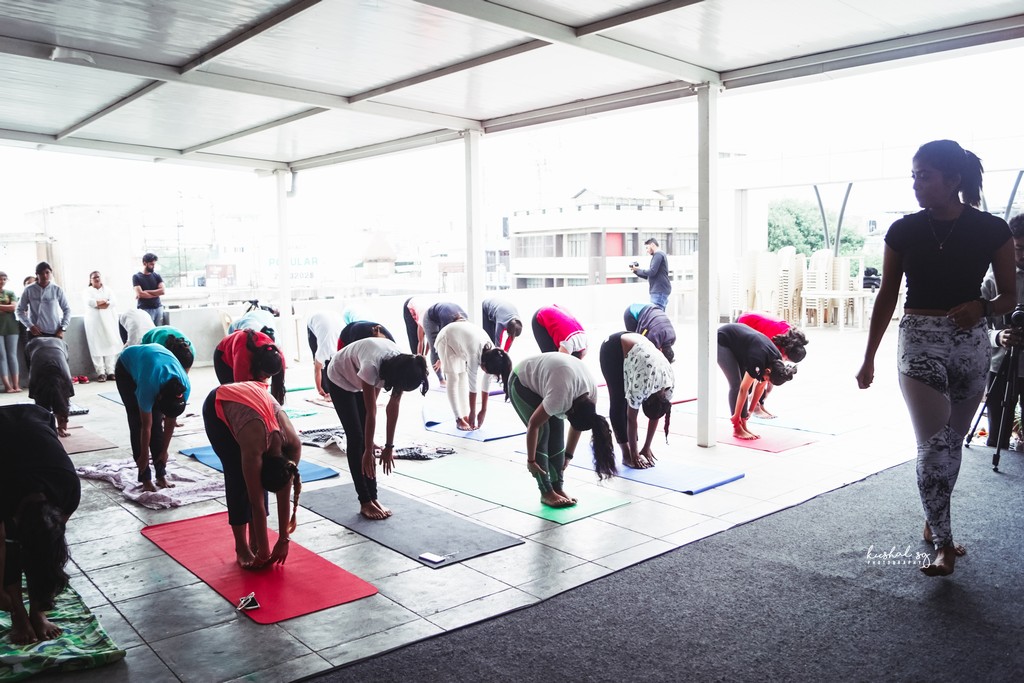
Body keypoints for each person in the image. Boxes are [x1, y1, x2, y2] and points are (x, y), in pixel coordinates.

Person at [856, 139, 1014, 578]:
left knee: (952, 442)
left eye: (924, 176)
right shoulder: (903, 230)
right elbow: (887, 295)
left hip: (971, 342)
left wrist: (981, 308)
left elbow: (1010, 296)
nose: (916, 184)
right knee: (932, 444)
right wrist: (868, 357)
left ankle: (933, 515)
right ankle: (944, 544)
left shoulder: (991, 229)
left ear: (953, 181)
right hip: (920, 338)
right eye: (913, 176)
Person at [0, 404, 80, 644]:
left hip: (39, 417)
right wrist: (8, 600)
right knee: (10, 549)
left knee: (44, 553)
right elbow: (4, 548)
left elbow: (48, 549)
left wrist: (39, 608)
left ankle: (38, 613)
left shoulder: (68, 490)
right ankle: (20, 619)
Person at [325, 337, 429, 520]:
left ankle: (374, 497)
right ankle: (365, 501)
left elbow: (392, 407)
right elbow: (371, 413)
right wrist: (367, 449)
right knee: (356, 439)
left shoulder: (404, 365)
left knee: (367, 441)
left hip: (358, 377)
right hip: (340, 377)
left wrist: (389, 447)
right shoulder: (371, 366)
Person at [203, 381, 302, 569]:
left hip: (254, 401)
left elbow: (285, 495)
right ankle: (241, 547)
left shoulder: (293, 445)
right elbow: (256, 503)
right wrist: (265, 554)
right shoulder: (254, 447)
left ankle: (256, 540)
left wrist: (284, 539)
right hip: (220, 403)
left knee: (256, 486)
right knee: (238, 478)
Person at [509, 353, 615, 508]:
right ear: (570, 410)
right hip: (521, 381)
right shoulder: (561, 396)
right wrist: (530, 461)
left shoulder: (590, 396)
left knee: (557, 431)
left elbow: (577, 425)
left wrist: (568, 456)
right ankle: (546, 492)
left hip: (554, 379)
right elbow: (533, 425)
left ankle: (558, 487)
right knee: (544, 430)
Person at [115, 344, 190, 491]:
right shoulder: (148, 386)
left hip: (153, 362)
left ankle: (161, 475)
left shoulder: (183, 388)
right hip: (127, 367)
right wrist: (143, 455)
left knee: (157, 424)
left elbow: (170, 422)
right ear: (159, 396)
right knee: (137, 421)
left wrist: (165, 451)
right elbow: (145, 427)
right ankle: (145, 478)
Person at [980, 214, 1024, 448]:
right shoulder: (992, 281)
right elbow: (975, 329)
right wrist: (999, 336)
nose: (1023, 255)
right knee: (997, 435)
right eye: (1019, 248)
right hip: (1000, 365)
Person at [599, 332, 674, 469]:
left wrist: (646, 447)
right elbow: (631, 419)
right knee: (619, 401)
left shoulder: (668, 388)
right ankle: (626, 454)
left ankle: (636, 449)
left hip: (637, 348)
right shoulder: (641, 385)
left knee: (628, 403)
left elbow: (655, 416)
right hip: (613, 348)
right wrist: (634, 454)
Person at [717, 323, 797, 440]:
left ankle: (743, 425)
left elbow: (759, 388)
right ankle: (737, 428)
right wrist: (736, 416)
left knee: (743, 384)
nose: (764, 381)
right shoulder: (758, 360)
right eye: (766, 379)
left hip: (741, 344)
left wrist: (750, 411)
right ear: (768, 371)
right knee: (736, 385)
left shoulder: (776, 362)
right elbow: (743, 389)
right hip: (723, 340)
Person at [433, 321, 513, 430]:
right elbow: (473, 388)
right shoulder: (474, 355)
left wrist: (483, 410)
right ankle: (458, 419)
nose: (486, 373)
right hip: (446, 338)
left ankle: (464, 416)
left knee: (462, 377)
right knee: (454, 377)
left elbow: (486, 383)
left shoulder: (493, 356)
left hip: (460, 341)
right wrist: (473, 412)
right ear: (483, 364)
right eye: (487, 371)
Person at [736, 311, 808, 418]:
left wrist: (771, 384)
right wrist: (768, 384)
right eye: (787, 359)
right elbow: (762, 375)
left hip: (754, 322)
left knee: (765, 377)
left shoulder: (792, 339)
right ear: (786, 352)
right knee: (754, 373)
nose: (785, 361)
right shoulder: (775, 342)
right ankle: (754, 407)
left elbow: (773, 371)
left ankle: (759, 404)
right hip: (744, 324)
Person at [214, 329, 287, 404]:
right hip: (223, 354)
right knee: (234, 396)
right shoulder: (243, 357)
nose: (268, 378)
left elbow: (278, 386)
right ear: (258, 366)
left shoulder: (280, 357)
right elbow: (242, 390)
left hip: (250, 356)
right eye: (266, 375)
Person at [25, 337, 75, 437]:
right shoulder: (62, 343)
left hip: (39, 368)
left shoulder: (30, 344)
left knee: (41, 397)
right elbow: (65, 361)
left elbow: (29, 366)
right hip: (59, 367)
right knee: (62, 395)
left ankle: (45, 428)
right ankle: (62, 428)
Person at [16, 261, 71, 341]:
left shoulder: (57, 289)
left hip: (54, 332)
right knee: (36, 353)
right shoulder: (29, 290)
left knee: (55, 353)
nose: (45, 276)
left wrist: (62, 328)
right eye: (41, 273)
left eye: (47, 272)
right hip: (34, 333)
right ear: (36, 274)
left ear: (51, 273)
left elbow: (67, 310)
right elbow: (19, 310)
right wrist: (30, 326)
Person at [82, 271, 121, 382]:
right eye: (94, 278)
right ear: (90, 280)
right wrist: (102, 302)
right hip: (94, 322)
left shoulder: (108, 290)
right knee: (96, 346)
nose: (97, 279)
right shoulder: (87, 291)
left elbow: (113, 302)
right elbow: (90, 302)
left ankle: (110, 371)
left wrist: (101, 304)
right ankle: (101, 373)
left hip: (109, 321)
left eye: (98, 277)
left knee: (110, 345)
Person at [421, 301, 469, 379]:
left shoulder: (466, 321)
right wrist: (440, 359)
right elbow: (442, 340)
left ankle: (451, 376)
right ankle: (441, 379)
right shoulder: (447, 321)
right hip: (430, 318)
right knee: (435, 347)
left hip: (444, 313)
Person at [307, 311, 344, 399]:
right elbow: (317, 370)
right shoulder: (323, 351)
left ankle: (332, 389)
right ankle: (327, 391)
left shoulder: (344, 353)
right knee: (318, 361)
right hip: (314, 318)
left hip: (335, 318)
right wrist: (320, 389)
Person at [629, 237, 671, 309]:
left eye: (647, 248)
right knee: (657, 316)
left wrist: (638, 270)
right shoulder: (660, 255)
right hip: (660, 290)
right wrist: (636, 271)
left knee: (656, 316)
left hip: (659, 291)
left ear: (652, 245)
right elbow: (650, 275)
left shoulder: (658, 254)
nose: (647, 251)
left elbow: (651, 272)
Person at [0, 271, 20, 393]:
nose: (1, 281)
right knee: (1, 356)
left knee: (12, 355)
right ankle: (7, 386)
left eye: (4, 279)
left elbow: (13, 307)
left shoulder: (10, 293)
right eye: (0, 279)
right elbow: (9, 307)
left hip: (11, 327)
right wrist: (5, 307)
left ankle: (16, 385)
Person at [133, 252, 165, 325]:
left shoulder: (157, 275)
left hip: (158, 308)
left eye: (154, 264)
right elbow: (140, 294)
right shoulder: (136, 277)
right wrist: (156, 293)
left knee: (158, 331)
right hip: (145, 309)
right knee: (147, 331)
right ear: (145, 263)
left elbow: (162, 291)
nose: (153, 266)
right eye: (151, 264)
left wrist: (146, 291)